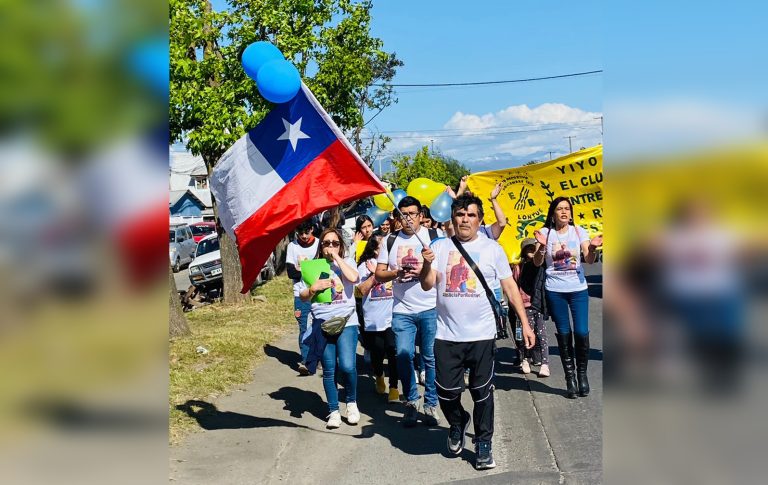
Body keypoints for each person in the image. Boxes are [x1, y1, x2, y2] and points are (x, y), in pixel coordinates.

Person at [419, 193, 535, 470]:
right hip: (446, 335)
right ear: (453, 218)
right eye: (460, 214)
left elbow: (509, 287)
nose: (465, 220)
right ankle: (458, 422)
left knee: (482, 392)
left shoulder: (492, 249)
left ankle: (484, 443)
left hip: (482, 335)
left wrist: (525, 323)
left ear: (480, 219)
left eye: (471, 215)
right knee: (446, 391)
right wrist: (426, 263)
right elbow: (426, 285)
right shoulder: (440, 247)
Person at [375, 196, 441, 428]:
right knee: (403, 355)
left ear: (421, 215)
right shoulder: (390, 241)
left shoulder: (433, 238)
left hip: (430, 307)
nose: (408, 219)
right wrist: (396, 273)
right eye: (403, 215)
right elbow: (379, 274)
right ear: (397, 217)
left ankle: (431, 403)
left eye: (412, 214)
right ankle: (412, 401)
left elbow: (440, 274)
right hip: (402, 309)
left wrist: (425, 269)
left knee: (430, 357)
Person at [533, 197, 602, 398]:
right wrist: (541, 246)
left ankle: (582, 375)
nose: (564, 212)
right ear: (553, 213)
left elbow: (589, 260)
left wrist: (593, 248)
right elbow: (538, 262)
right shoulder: (546, 233)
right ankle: (569, 377)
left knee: (581, 331)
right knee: (564, 333)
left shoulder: (579, 231)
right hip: (555, 290)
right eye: (560, 209)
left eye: (567, 209)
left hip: (578, 289)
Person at [298, 228, 361, 428]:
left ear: (340, 245)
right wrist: (313, 288)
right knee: (329, 369)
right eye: (326, 243)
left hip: (346, 321)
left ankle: (351, 402)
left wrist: (338, 259)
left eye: (335, 243)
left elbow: (354, 279)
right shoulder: (312, 267)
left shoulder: (347, 262)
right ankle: (333, 410)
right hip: (322, 324)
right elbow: (303, 295)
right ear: (320, 246)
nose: (330, 246)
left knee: (348, 366)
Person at [356, 236, 400, 403]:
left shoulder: (394, 264)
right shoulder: (363, 266)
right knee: (377, 352)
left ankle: (394, 386)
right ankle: (379, 375)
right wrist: (375, 276)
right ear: (375, 250)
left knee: (393, 350)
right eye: (382, 246)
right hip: (373, 318)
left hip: (392, 315)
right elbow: (359, 292)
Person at [285, 220, 320, 375]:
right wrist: (311, 269)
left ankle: (320, 358)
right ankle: (305, 361)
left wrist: (302, 269)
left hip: (319, 292)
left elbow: (323, 269)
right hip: (300, 294)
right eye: (301, 233)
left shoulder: (320, 244)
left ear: (312, 229)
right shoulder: (292, 247)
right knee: (304, 327)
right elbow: (291, 273)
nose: (304, 236)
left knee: (320, 326)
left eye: (307, 232)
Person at [512, 238, 550, 377]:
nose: (532, 252)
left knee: (541, 334)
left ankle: (544, 363)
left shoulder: (539, 266)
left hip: (536, 304)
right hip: (521, 306)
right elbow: (513, 285)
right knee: (521, 335)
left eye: (533, 249)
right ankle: (525, 359)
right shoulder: (518, 267)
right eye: (529, 249)